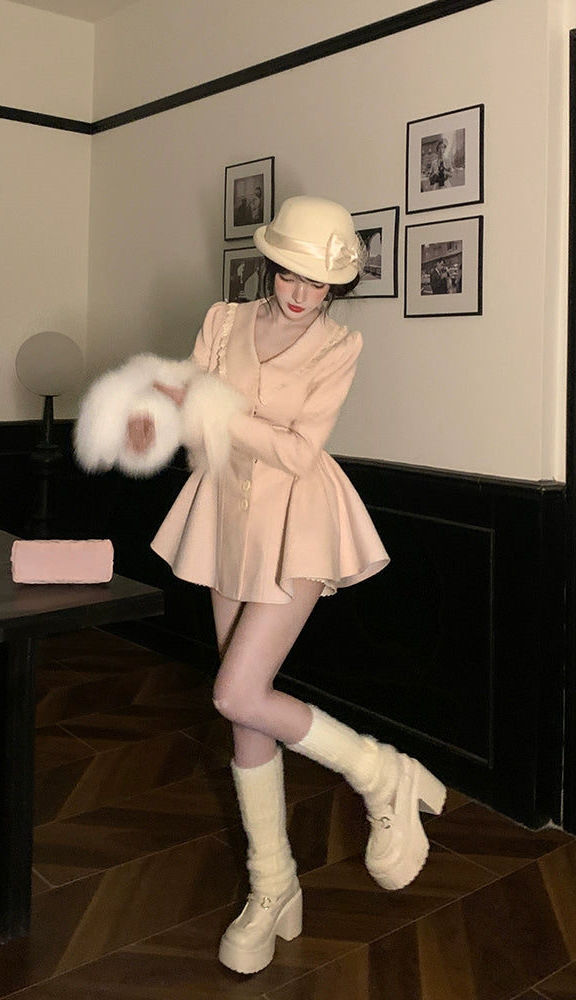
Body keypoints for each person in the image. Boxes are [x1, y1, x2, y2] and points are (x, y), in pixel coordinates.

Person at [125, 196, 445, 975]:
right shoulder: (222, 321)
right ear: (269, 264)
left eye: (320, 283)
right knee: (246, 710)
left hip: (299, 518)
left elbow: (300, 455)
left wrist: (214, 407)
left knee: (235, 692)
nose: (303, 295)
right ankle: (273, 886)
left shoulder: (341, 344)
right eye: (291, 275)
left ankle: (380, 771)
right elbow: (195, 424)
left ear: (337, 287)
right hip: (222, 514)